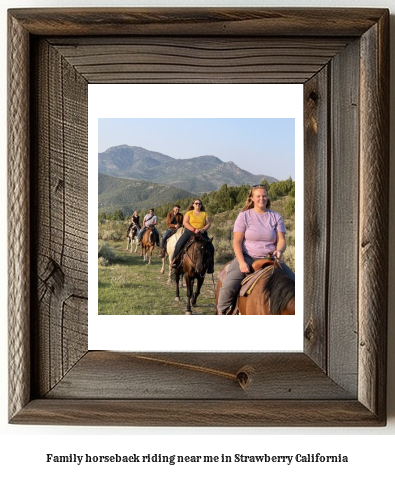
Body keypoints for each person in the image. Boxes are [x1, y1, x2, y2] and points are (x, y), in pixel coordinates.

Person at [217, 184, 295, 315]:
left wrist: (279, 251)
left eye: (264, 196)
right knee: (229, 286)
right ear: (252, 198)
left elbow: (281, 240)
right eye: (258, 196)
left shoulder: (276, 217)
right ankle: (222, 311)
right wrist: (241, 262)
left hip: (270, 258)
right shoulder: (244, 216)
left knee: (295, 284)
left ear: (267, 197)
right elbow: (236, 241)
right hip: (248, 257)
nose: (261, 199)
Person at [171, 199, 214, 274]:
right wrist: (194, 229)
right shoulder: (189, 213)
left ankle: (210, 265)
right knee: (178, 244)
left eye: (199, 203)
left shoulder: (204, 214)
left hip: (201, 233)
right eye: (196, 203)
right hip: (190, 232)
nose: (198, 205)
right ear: (193, 205)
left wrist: (203, 229)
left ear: (201, 205)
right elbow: (185, 222)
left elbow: (208, 224)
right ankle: (175, 261)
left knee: (211, 247)